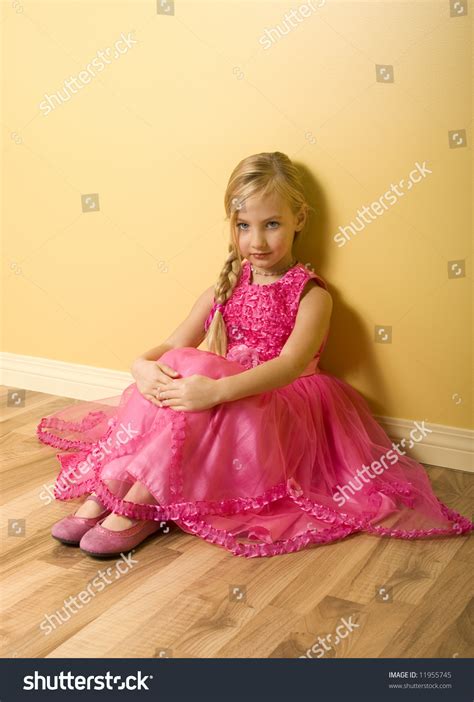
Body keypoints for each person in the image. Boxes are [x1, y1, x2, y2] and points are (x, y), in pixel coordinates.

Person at [36, 151, 473, 559]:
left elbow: (290, 366)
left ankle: (142, 503)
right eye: (244, 226)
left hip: (278, 404)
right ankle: (112, 487)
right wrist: (142, 368)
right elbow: (174, 345)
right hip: (217, 393)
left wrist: (216, 390)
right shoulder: (225, 286)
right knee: (182, 366)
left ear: (299, 219)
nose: (257, 240)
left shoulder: (311, 294)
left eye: (272, 224)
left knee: (199, 369)